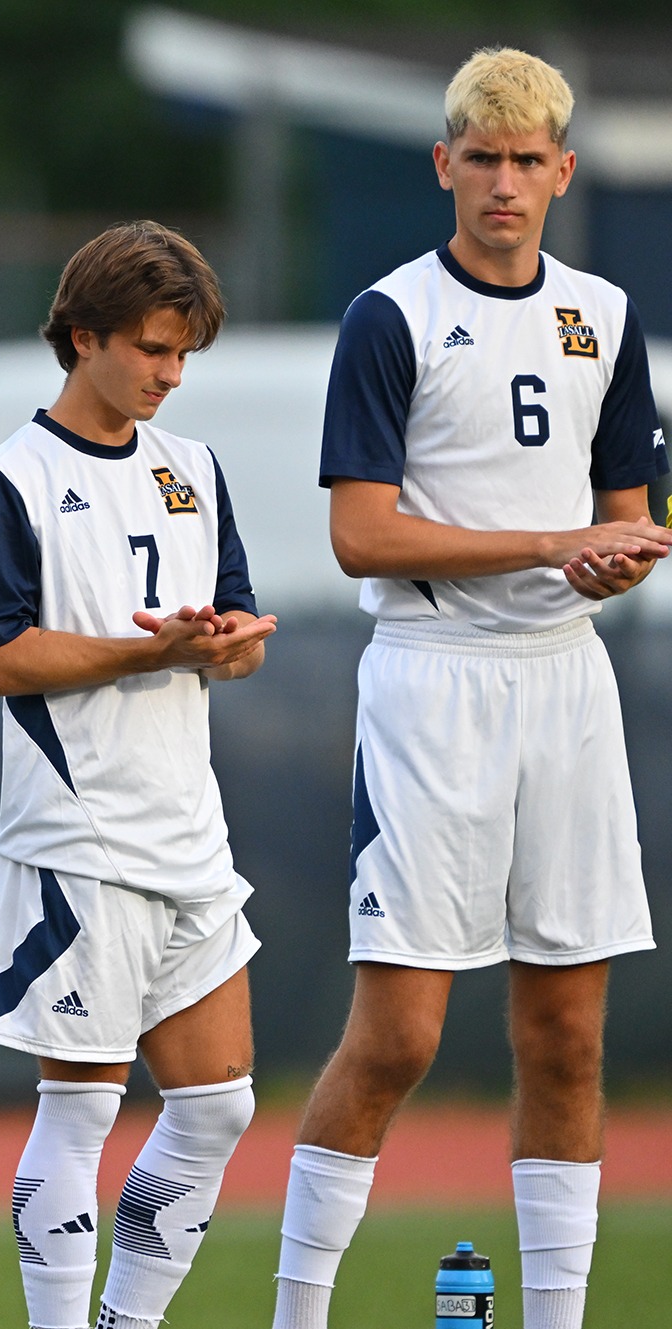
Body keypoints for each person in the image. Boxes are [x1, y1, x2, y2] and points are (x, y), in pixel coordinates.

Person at [272, 49, 666, 1329]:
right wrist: (548, 546)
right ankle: (297, 1312)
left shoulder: (603, 318)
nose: (504, 183)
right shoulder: (386, 316)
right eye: (480, 159)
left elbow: (620, 519)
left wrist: (606, 562)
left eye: (527, 159)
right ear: (442, 165)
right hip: (432, 686)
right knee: (395, 1039)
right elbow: (361, 537)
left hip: (564, 683)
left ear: (562, 170)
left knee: (565, 1034)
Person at [0, 222, 274, 1329]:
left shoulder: (194, 470)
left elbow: (234, 630)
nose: (168, 376)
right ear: (80, 338)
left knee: (217, 1107)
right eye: (148, 350)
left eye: (182, 356)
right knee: (78, 1111)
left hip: (189, 833)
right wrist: (151, 650)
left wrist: (230, 640)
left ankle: (122, 1320)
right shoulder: (12, 479)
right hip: (76, 843)